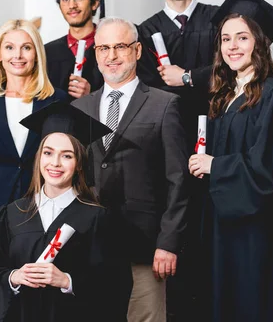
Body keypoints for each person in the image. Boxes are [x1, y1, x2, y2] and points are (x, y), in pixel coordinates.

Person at [188, 0, 273, 322]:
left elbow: (272, 168)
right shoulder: (226, 95)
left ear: (259, 42)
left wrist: (216, 165)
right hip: (224, 227)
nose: (232, 46)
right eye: (226, 39)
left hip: (257, 233)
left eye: (242, 37)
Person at [72, 17, 188, 322]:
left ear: (137, 51)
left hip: (145, 246)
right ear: (95, 54)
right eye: (103, 48)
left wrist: (168, 242)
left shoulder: (164, 105)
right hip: (91, 244)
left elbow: (178, 179)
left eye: (120, 47)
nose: (111, 56)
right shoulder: (79, 109)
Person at [0, 101, 131, 322]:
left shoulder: (97, 218)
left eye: (67, 155)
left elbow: (116, 283)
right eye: (48, 153)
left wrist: (67, 281)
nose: (55, 163)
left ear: (79, 163)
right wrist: (14, 277)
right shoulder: (10, 215)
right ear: (39, 157)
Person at [133, 0, 217, 319]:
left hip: (218, 141)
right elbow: (145, 89)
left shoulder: (220, 20)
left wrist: (187, 76)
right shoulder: (143, 32)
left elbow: (230, 73)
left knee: (212, 243)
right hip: (167, 149)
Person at [0, 19, 68, 271]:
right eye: (9, 47)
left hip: (40, 215)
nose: (17, 55)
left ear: (37, 54)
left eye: (26, 47)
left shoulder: (57, 100)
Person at [42, 0, 116, 100]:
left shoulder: (113, 48)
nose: (72, 5)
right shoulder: (47, 52)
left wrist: (93, 96)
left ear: (95, 2)